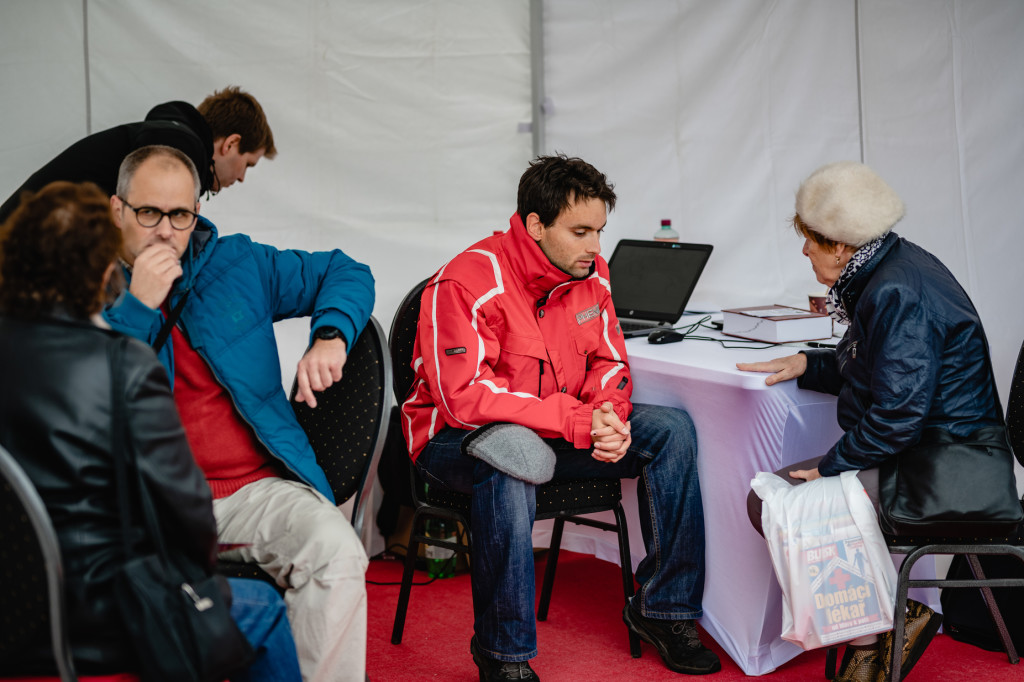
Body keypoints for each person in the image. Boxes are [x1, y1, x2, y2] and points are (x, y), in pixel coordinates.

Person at [401, 154, 721, 679]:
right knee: (512, 456)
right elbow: (465, 400)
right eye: (580, 231)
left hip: (555, 429)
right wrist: (577, 422)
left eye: (599, 230)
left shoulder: (593, 273)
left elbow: (609, 359)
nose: (595, 247)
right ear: (535, 225)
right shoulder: (464, 282)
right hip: (453, 442)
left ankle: (662, 611)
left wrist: (609, 417)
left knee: (671, 431)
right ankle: (504, 654)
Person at [0, 181, 301, 681]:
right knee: (265, 608)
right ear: (103, 272)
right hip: (98, 613)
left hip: (11, 609)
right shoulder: (122, 365)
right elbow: (186, 511)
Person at [103, 144, 375, 682]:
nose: (165, 231)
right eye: (148, 213)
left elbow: (347, 271)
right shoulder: (81, 287)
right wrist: (137, 307)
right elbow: (82, 404)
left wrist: (330, 335)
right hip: (149, 502)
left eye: (180, 214)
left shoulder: (239, 263)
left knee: (338, 554)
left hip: (254, 493)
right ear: (117, 211)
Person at [739, 161, 1002, 680]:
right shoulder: (891, 269)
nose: (804, 251)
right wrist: (808, 364)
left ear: (838, 244)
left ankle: (877, 631)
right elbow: (881, 373)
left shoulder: (895, 290)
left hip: (949, 468)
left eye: (809, 240)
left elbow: (898, 414)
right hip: (942, 453)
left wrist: (832, 467)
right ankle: (888, 621)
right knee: (784, 496)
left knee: (786, 497)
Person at [0, 85, 275, 222]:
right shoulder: (178, 149)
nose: (241, 178)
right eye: (248, 164)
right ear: (231, 144)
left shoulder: (172, 137)